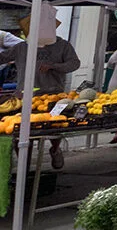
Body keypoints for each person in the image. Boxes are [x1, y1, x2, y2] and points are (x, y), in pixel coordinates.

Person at [0, 17, 81, 168]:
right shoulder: (21, 47)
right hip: (23, 95)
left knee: (54, 127)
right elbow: (3, 57)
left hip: (52, 94)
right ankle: (25, 163)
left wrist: (54, 66)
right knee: (22, 131)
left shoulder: (62, 45)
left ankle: (55, 149)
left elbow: (74, 63)